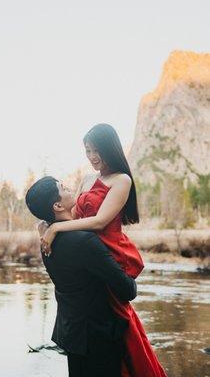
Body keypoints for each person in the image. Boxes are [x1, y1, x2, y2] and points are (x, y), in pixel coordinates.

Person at [40, 123, 167, 377]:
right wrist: (45, 224)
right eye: (87, 150)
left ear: (109, 148)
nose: (92, 157)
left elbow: (99, 221)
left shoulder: (122, 180)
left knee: (117, 310)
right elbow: (72, 214)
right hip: (86, 248)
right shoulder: (87, 179)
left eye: (96, 150)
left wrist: (55, 231)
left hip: (108, 246)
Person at [25, 176, 138, 377]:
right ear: (58, 205)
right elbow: (127, 290)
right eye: (64, 188)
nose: (70, 189)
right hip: (98, 336)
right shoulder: (85, 241)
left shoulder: (46, 241)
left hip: (72, 333)